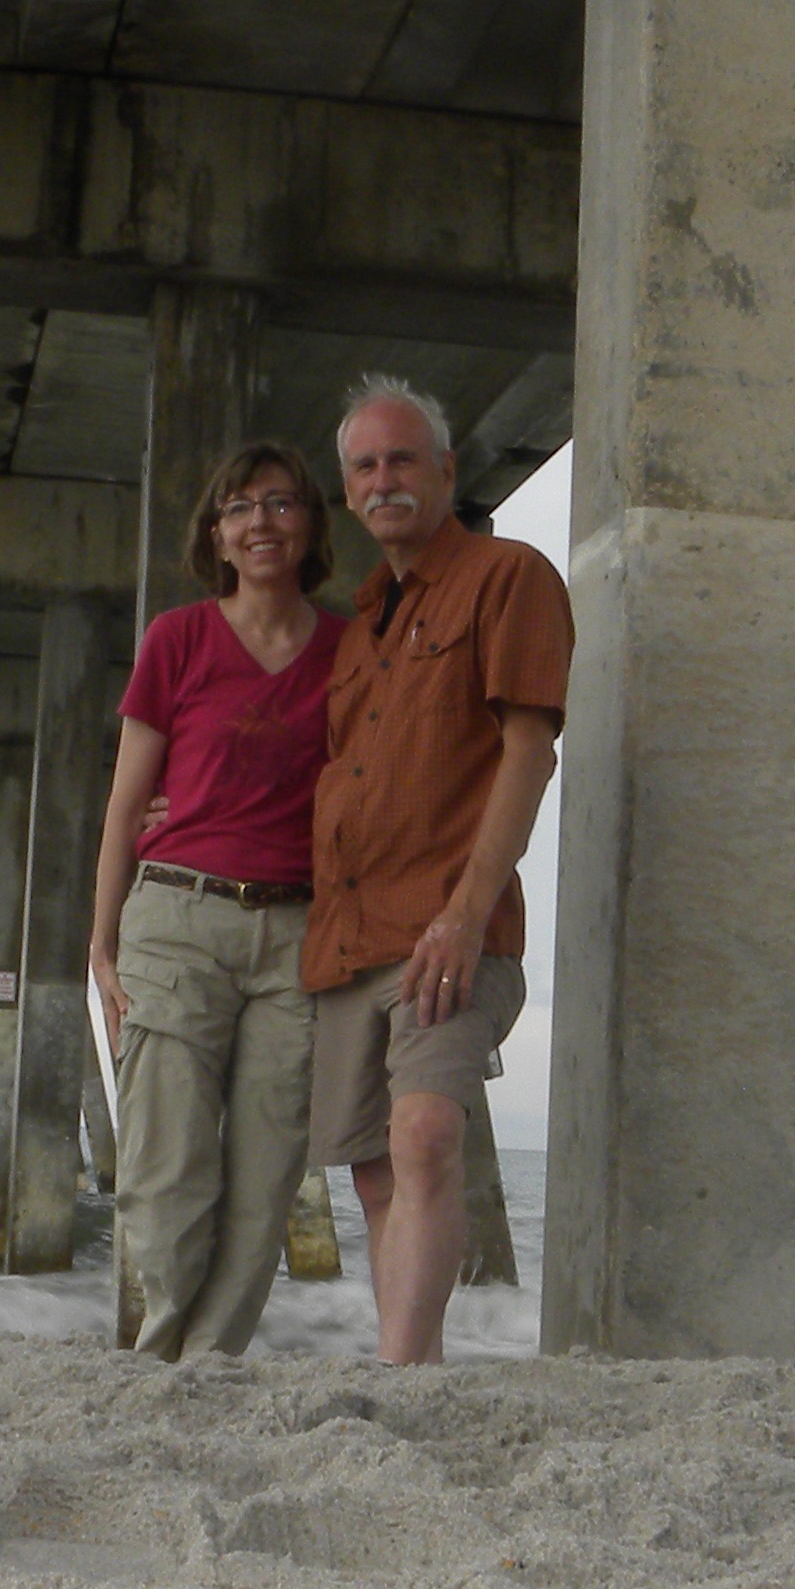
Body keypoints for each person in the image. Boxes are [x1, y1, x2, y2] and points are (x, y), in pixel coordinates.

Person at [307, 381, 571, 1363]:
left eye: (403, 459)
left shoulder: (511, 579)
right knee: (373, 1168)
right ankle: (408, 1358)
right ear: (348, 492)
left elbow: (529, 750)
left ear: (447, 472)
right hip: (345, 938)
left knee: (424, 1135)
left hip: (445, 929)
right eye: (366, 467)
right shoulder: (360, 624)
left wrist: (465, 913)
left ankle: (401, 1372)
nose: (385, 480)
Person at [89, 442, 344, 1361]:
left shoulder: (351, 650)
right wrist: (103, 944)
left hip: (298, 933)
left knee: (267, 1173)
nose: (261, 522)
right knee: (166, 1168)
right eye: (239, 508)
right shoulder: (179, 639)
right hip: (177, 918)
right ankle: (153, 1359)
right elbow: (128, 800)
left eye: (280, 503)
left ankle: (208, 1366)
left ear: (310, 524)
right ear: (218, 537)